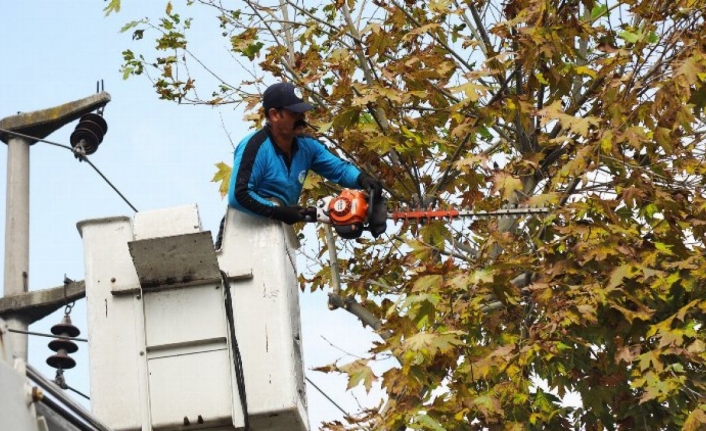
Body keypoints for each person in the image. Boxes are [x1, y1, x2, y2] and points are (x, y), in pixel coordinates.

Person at [227, 81, 382, 225]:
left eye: (302, 113)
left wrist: (362, 179)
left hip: (279, 234)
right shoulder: (256, 146)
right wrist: (277, 211)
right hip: (243, 235)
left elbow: (339, 169)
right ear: (274, 115)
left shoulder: (307, 147)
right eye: (295, 113)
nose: (302, 118)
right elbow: (239, 195)